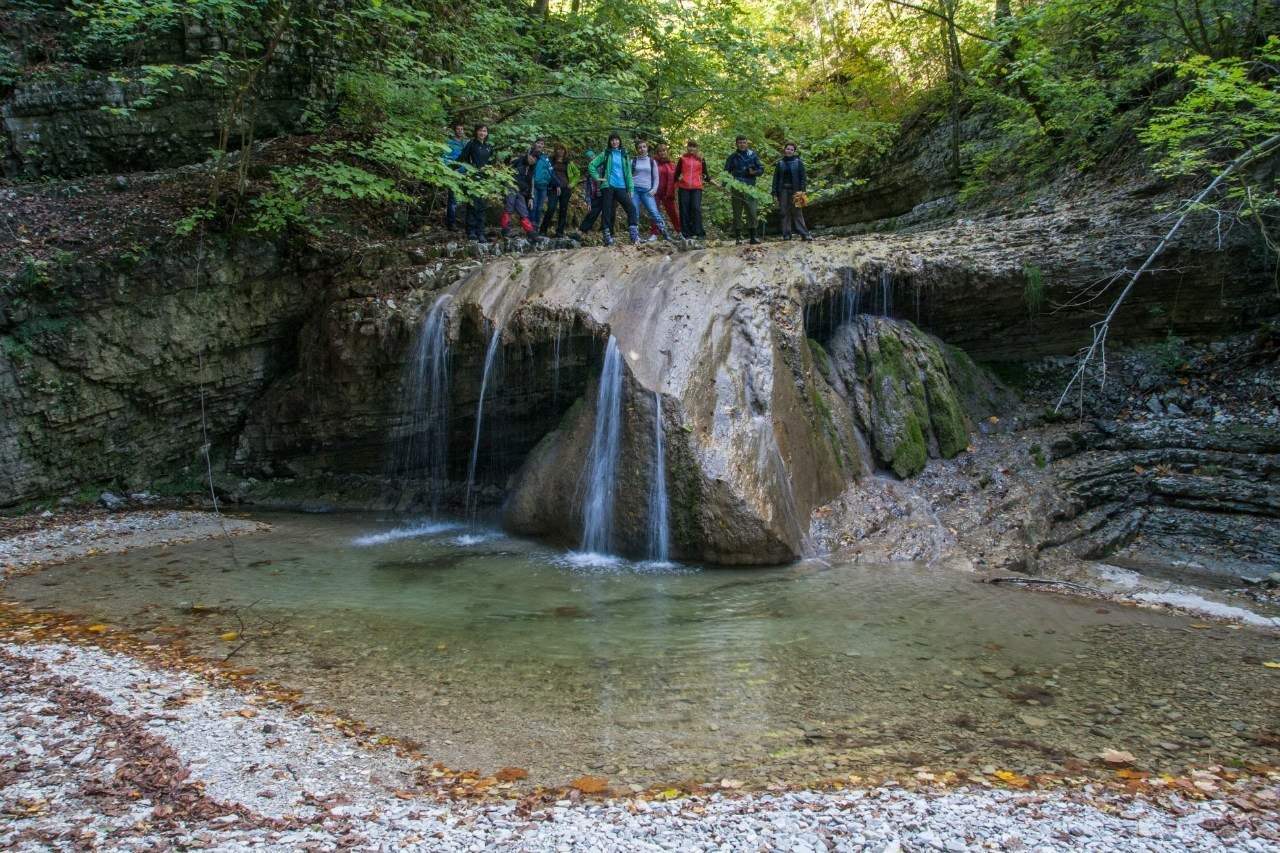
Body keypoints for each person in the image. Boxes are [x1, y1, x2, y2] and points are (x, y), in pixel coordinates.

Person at [588, 133, 640, 245]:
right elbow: (592, 165)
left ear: (619, 141)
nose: (614, 142)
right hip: (608, 186)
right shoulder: (606, 154)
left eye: (616, 140)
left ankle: (634, 235)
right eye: (612, 140)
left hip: (621, 187)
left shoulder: (624, 155)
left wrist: (631, 188)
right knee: (607, 211)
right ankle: (607, 236)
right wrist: (597, 178)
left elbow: (629, 173)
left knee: (631, 208)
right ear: (609, 142)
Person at [457, 124, 494, 242]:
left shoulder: (489, 147)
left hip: (485, 180)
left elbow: (491, 163)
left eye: (484, 131)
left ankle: (481, 232)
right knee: (473, 205)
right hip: (472, 178)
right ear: (476, 132)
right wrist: (451, 169)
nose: (482, 133)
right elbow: (462, 158)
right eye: (480, 131)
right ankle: (471, 231)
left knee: (482, 206)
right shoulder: (471, 144)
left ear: (487, 133)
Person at [724, 135, 764, 244]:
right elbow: (726, 172)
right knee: (737, 212)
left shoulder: (752, 155)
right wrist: (724, 185)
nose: (742, 144)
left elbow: (761, 169)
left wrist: (754, 172)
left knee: (752, 211)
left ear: (747, 143)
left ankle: (753, 237)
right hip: (736, 186)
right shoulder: (732, 157)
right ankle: (738, 237)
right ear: (736, 144)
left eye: (744, 142)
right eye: (740, 142)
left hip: (750, 187)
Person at [630, 139, 672, 241]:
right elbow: (629, 177)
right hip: (634, 190)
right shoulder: (632, 161)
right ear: (637, 149)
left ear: (647, 148)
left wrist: (654, 189)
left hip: (647, 190)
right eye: (639, 147)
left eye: (644, 147)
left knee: (654, 211)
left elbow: (656, 177)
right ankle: (635, 237)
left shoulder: (652, 161)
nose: (642, 149)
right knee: (634, 212)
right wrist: (630, 190)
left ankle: (665, 234)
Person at [772, 142, 812, 241]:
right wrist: (774, 193)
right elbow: (775, 179)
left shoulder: (798, 162)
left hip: (796, 191)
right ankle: (786, 234)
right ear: (784, 150)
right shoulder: (780, 164)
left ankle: (804, 234)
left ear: (794, 151)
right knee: (784, 212)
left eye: (791, 149)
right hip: (783, 191)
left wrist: (803, 191)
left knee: (797, 212)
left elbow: (803, 178)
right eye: (788, 149)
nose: (789, 151)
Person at [674, 139, 709, 239]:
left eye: (694, 146)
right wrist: (678, 180)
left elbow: (705, 174)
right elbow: (676, 174)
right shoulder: (682, 159)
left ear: (697, 148)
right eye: (690, 146)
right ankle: (686, 233)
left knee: (696, 208)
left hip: (697, 187)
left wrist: (714, 183)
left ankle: (699, 232)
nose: (691, 148)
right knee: (684, 210)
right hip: (684, 187)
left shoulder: (701, 159)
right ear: (687, 147)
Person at [500, 147, 537, 238]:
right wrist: (504, 186)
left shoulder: (531, 168)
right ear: (528, 154)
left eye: (536, 159)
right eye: (532, 157)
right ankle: (505, 230)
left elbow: (531, 183)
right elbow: (505, 171)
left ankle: (530, 232)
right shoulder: (517, 161)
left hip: (521, 191)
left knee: (523, 211)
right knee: (509, 208)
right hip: (511, 187)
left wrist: (530, 197)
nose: (533, 160)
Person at [539, 144, 571, 238]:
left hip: (565, 188)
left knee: (563, 210)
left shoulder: (568, 162)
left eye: (562, 149)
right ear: (555, 150)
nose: (560, 151)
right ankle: (543, 230)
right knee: (551, 208)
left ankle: (560, 232)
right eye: (558, 149)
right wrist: (555, 184)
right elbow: (549, 173)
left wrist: (572, 184)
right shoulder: (550, 161)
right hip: (553, 188)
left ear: (565, 151)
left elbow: (576, 174)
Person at [652, 142, 680, 238]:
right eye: (660, 151)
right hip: (656, 192)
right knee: (654, 212)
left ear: (667, 152)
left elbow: (676, 178)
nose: (662, 153)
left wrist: (674, 189)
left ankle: (679, 231)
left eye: (664, 150)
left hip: (668, 193)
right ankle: (654, 233)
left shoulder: (672, 164)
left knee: (673, 212)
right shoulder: (654, 163)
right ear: (657, 153)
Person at [444, 122, 467, 230]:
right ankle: (451, 223)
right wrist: (451, 169)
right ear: (454, 131)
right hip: (454, 173)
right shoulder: (449, 143)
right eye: (458, 129)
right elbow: (444, 158)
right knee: (453, 199)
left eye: (462, 129)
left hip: (465, 173)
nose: (460, 131)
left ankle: (463, 222)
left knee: (464, 198)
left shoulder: (466, 144)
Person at [530, 138, 553, 225]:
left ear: (543, 146)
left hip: (544, 186)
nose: (540, 145)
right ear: (535, 144)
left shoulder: (545, 158)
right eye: (538, 143)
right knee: (534, 205)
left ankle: (536, 225)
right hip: (534, 185)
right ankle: (531, 226)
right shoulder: (531, 155)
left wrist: (551, 183)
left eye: (542, 144)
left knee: (540, 207)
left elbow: (551, 171)